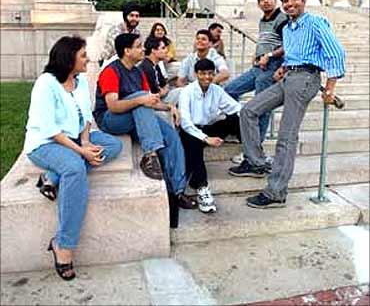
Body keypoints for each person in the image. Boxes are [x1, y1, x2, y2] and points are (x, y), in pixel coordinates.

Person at [23, 36, 122, 281]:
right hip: (46, 143)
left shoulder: (78, 82)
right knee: (75, 168)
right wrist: (81, 152)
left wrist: (86, 141)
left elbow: (86, 116)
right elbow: (49, 129)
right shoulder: (46, 84)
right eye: (83, 55)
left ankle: (51, 176)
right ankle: (63, 246)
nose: (88, 59)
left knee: (113, 145)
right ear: (69, 59)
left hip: (74, 139)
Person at [240, 0, 345, 209]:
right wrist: (284, 68)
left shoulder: (315, 23)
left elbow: (336, 52)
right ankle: (258, 162)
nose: (290, 3)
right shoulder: (287, 29)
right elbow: (294, 53)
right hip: (289, 76)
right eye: (286, 0)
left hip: (306, 78)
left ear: (304, 0)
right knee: (248, 110)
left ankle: (276, 192)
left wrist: (330, 87)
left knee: (286, 136)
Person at [93, 33, 196, 226]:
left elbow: (150, 101)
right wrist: (141, 100)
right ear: (127, 51)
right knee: (141, 98)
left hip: (137, 117)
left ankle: (179, 190)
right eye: (139, 46)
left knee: (172, 136)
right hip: (110, 120)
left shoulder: (138, 72)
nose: (143, 49)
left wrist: (169, 107)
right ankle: (150, 154)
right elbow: (113, 106)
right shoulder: (111, 71)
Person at [226, 0, 288, 172]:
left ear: (275, 0)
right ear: (259, 3)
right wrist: (257, 55)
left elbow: (288, 45)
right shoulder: (263, 19)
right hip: (258, 67)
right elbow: (264, 41)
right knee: (229, 91)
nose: (266, 1)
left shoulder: (281, 19)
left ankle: (253, 154)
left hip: (271, 68)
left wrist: (268, 56)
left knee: (260, 110)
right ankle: (241, 131)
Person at [179, 59, 241, 213]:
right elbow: (186, 123)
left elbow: (235, 107)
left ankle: (249, 154)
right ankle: (202, 187)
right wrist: (206, 139)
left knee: (238, 118)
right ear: (196, 74)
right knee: (193, 144)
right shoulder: (186, 92)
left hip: (208, 128)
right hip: (190, 131)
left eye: (210, 73)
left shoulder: (216, 90)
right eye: (202, 74)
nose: (207, 77)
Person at [99, 1, 141, 66]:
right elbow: (110, 54)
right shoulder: (115, 31)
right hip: (112, 65)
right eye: (131, 15)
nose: (134, 19)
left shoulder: (137, 33)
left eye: (137, 16)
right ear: (125, 16)